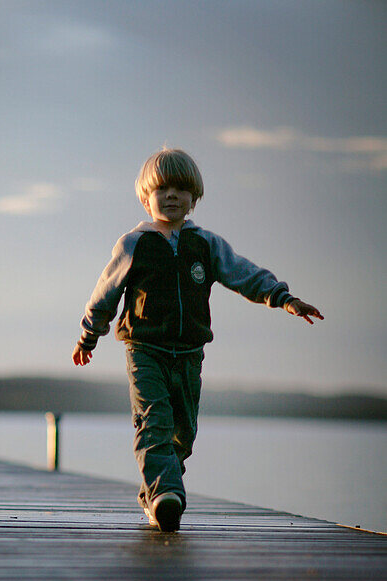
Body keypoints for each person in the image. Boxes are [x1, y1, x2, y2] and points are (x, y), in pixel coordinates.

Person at [72, 147, 323, 532]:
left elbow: (244, 273)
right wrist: (89, 335)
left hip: (189, 355)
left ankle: (153, 494)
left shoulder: (205, 244)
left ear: (194, 198)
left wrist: (283, 298)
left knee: (183, 432)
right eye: (162, 188)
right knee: (153, 421)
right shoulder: (133, 245)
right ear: (145, 197)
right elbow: (104, 293)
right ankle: (165, 495)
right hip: (146, 351)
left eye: (181, 188)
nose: (171, 195)